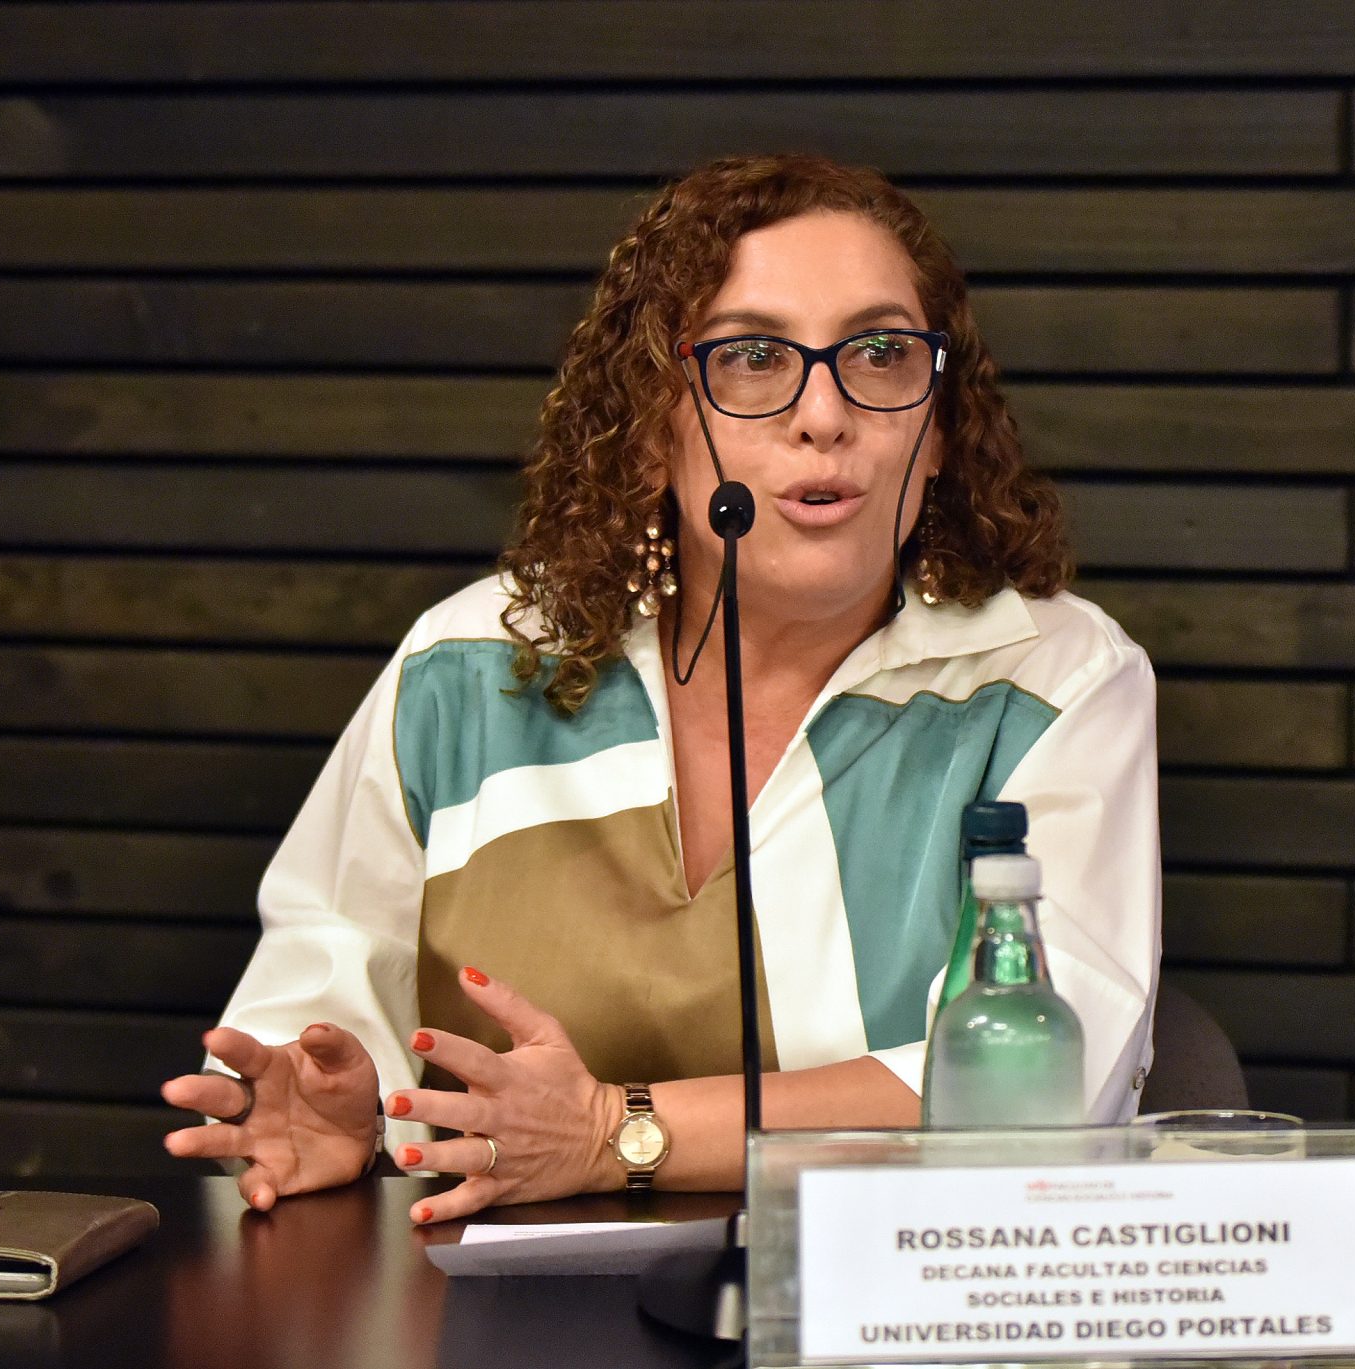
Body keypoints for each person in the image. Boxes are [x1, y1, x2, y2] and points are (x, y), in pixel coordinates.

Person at [160, 154, 1161, 1226]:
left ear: (939, 432)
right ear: (649, 430)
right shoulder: (464, 665)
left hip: (888, 1295)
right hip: (484, 1303)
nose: (824, 414)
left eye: (880, 353)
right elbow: (312, 1014)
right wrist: (344, 1115)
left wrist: (613, 1132)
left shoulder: (1052, 678)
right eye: (751, 358)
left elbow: (1041, 1094)